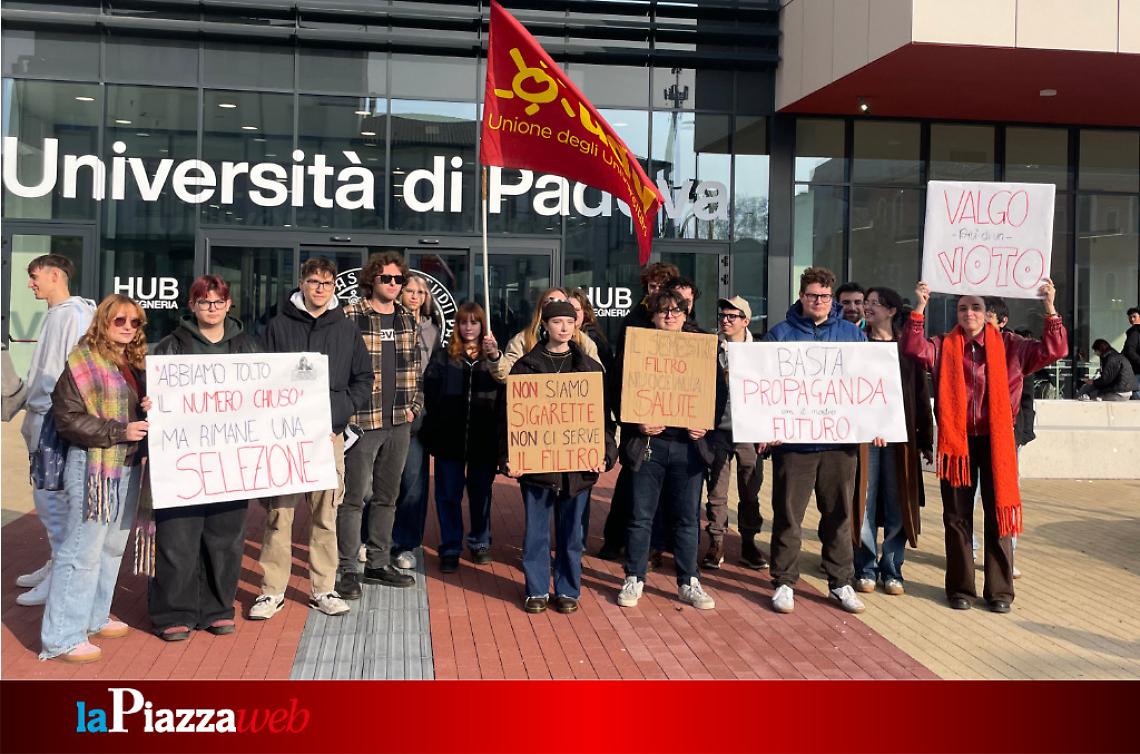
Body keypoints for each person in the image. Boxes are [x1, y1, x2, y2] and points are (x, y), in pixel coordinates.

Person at [902, 279, 1067, 613]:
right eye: (962, 308)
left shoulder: (1013, 346)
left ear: (988, 313)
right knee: (956, 517)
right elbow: (912, 347)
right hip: (957, 444)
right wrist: (919, 306)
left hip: (997, 442)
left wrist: (1049, 307)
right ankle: (961, 588)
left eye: (976, 307)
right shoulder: (943, 345)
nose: (969, 313)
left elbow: (1055, 350)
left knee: (997, 516)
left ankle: (1000, 591)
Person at [250, 257, 373, 620]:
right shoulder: (276, 326)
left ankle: (323, 589)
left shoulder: (346, 329)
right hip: (285, 439)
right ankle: (271, 591)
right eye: (314, 281)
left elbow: (363, 378)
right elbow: (259, 376)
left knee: (325, 515)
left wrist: (339, 415)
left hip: (327, 437)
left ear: (334, 286)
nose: (320, 288)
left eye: (327, 282)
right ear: (301, 283)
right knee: (279, 515)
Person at [148, 275, 261, 641]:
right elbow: (150, 390)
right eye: (203, 302)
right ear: (192, 306)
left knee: (225, 538)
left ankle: (217, 609)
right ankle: (174, 612)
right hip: (181, 458)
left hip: (231, 460)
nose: (211, 308)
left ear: (229, 305)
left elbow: (267, 398)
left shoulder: (247, 347)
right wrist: (149, 402)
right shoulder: (170, 346)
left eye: (217, 302)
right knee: (178, 537)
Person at [39, 295, 149, 663]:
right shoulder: (82, 362)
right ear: (103, 321)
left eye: (136, 323)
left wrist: (150, 403)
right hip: (92, 467)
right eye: (121, 321)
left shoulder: (133, 363)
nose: (129, 328)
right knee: (81, 550)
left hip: (128, 466)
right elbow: (67, 418)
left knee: (112, 546)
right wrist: (120, 431)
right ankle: (62, 638)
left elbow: (137, 410)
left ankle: (94, 616)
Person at [763, 267, 871, 616]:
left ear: (832, 297)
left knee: (839, 515)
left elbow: (868, 383)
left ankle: (841, 582)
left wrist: (876, 422)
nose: (819, 302)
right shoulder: (779, 335)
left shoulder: (851, 336)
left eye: (825, 296)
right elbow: (763, 386)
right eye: (812, 296)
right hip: (794, 445)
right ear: (801, 296)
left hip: (840, 443)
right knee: (789, 514)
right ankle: (783, 581)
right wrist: (767, 425)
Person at [507, 300, 616, 614]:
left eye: (570, 322)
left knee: (572, 535)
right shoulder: (525, 366)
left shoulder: (590, 368)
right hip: (538, 468)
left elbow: (604, 421)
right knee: (536, 533)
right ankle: (537, 589)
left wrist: (605, 454)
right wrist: (509, 457)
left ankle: (569, 589)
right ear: (545, 325)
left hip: (578, 468)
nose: (564, 327)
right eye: (557, 322)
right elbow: (510, 418)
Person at [616, 288, 719, 611]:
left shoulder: (702, 348)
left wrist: (706, 423)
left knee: (687, 518)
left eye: (677, 310)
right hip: (650, 445)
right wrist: (635, 424)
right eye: (663, 311)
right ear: (654, 316)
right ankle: (634, 576)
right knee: (640, 516)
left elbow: (719, 394)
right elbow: (618, 393)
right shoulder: (638, 349)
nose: (670, 316)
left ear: (686, 314)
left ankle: (689, 580)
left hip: (689, 447)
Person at [336, 251, 424, 598]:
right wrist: (345, 411)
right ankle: (346, 569)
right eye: (385, 278)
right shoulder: (349, 316)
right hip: (363, 422)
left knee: (388, 497)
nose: (392, 284)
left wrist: (415, 406)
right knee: (354, 498)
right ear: (372, 279)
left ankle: (377, 563)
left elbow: (416, 370)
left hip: (399, 422)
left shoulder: (407, 319)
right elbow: (337, 369)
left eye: (398, 279)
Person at [15, 255, 96, 607]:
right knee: (48, 496)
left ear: (55, 275)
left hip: (54, 420)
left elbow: (77, 371)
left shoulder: (75, 316)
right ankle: (55, 565)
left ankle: (62, 576)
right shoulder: (60, 315)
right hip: (43, 416)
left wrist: (58, 417)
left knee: (53, 498)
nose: (31, 283)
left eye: (34, 277)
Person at [852, 287, 934, 597]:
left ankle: (893, 568)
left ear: (891, 311)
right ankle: (866, 567)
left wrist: (925, 439)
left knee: (898, 502)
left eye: (875, 303)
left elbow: (919, 397)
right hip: (864, 439)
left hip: (900, 439)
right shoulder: (855, 344)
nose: (868, 308)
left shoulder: (907, 349)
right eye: (867, 303)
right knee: (865, 502)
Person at [598, 262, 679, 561]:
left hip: (670, 412)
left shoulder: (681, 319)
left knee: (663, 485)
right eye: (652, 286)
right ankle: (614, 538)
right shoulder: (634, 318)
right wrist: (626, 412)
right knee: (630, 478)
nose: (656, 291)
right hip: (638, 411)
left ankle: (656, 544)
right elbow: (622, 368)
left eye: (661, 286)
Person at [419, 302, 504, 573]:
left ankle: (480, 542)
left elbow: (504, 388)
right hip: (449, 440)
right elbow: (430, 395)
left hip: (483, 440)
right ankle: (451, 546)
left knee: (480, 494)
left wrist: (494, 357)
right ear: (456, 326)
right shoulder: (444, 357)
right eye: (463, 322)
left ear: (483, 326)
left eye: (474, 322)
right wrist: (436, 428)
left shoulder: (492, 360)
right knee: (447, 496)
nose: (469, 328)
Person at [702, 295, 767, 570]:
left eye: (732, 316)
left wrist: (767, 428)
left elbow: (770, 393)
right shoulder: (708, 346)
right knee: (716, 490)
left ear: (745, 320)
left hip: (750, 431)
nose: (726, 320)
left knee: (750, 490)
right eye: (723, 316)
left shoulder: (761, 351)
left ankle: (749, 542)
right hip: (717, 430)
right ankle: (716, 542)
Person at [390, 272, 443, 570]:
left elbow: (433, 377)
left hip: (418, 418)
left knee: (413, 483)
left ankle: (405, 544)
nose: (414, 296)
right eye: (409, 290)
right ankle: (372, 540)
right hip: (386, 414)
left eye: (420, 292)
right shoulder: (387, 323)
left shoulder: (432, 331)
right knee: (377, 483)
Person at [489, 287, 599, 383]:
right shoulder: (523, 340)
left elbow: (597, 378)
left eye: (562, 302)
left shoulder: (585, 342)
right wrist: (495, 357)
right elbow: (507, 375)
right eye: (550, 302)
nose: (557, 307)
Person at [1124, 307, 1140, 399]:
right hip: (1136, 370)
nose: (1132, 319)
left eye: (1134, 316)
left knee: (1136, 396)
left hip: (1136, 370)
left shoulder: (1134, 331)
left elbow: (1130, 350)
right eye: (1130, 317)